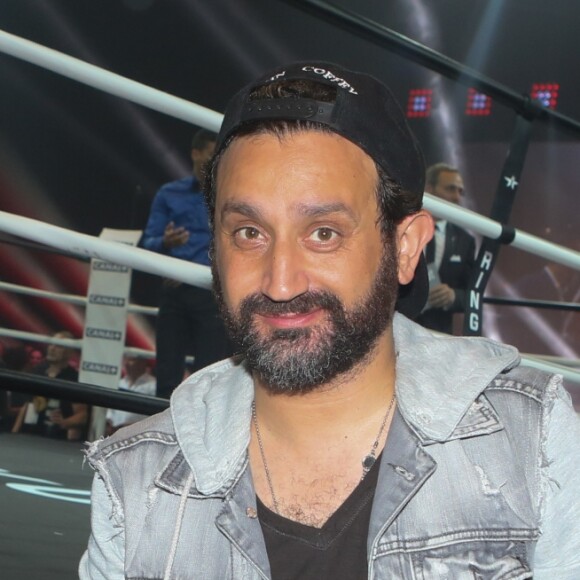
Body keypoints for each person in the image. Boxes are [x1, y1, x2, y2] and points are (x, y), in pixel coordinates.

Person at [80, 62, 580, 579]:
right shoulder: (133, 484)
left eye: (323, 233)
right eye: (249, 232)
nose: (280, 283)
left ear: (405, 248)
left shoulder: (531, 441)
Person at [141, 129, 231, 399]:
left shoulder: (232, 196)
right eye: (210, 153)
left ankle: (203, 440)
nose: (214, 160)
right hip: (175, 289)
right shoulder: (169, 194)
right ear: (195, 153)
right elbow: (149, 242)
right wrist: (166, 243)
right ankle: (160, 437)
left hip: (212, 292)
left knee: (209, 376)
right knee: (167, 372)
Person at [415, 163, 476, 334]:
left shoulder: (465, 241)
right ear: (428, 189)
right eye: (450, 189)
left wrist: (453, 296)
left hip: (438, 336)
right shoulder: (401, 228)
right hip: (395, 333)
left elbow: (472, 295)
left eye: (460, 191)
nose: (457, 197)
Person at [12, 331, 88, 441]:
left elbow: (82, 415)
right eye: (51, 344)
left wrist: (63, 423)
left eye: (58, 346)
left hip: (55, 439)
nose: (52, 348)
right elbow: (27, 404)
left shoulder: (72, 378)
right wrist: (15, 432)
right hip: (29, 434)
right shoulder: (38, 371)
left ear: (69, 352)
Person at [105, 355, 156, 435]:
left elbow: (153, 416)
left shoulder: (153, 385)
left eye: (132, 360)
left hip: (139, 433)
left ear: (143, 363)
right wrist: (108, 422)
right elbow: (110, 410)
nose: (127, 364)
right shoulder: (119, 383)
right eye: (126, 360)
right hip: (113, 433)